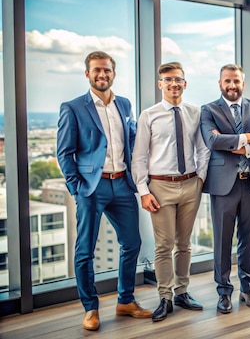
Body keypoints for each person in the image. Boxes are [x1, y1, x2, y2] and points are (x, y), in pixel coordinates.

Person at [57, 51, 152, 331]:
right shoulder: (72, 107)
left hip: (122, 183)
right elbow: (64, 153)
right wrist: (77, 189)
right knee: (85, 250)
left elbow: (132, 140)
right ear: (87, 74)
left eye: (107, 70)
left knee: (132, 243)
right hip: (91, 188)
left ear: (114, 73)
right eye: (97, 70)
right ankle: (90, 308)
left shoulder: (124, 104)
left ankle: (125, 301)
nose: (102, 75)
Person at [132, 62, 210, 322]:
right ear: (160, 84)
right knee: (164, 245)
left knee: (184, 244)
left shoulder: (194, 112)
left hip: (190, 185)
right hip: (160, 186)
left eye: (178, 79)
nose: (173, 84)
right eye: (168, 80)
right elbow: (139, 155)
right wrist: (144, 191)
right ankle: (165, 296)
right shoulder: (149, 115)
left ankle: (182, 292)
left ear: (185, 83)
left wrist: (200, 178)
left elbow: (203, 148)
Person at [200, 64, 250, 314]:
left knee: (249, 239)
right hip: (224, 186)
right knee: (222, 241)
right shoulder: (208, 109)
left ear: (244, 83)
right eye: (228, 81)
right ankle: (223, 293)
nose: (232, 86)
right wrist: (247, 138)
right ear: (220, 83)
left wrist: (231, 141)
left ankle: (248, 289)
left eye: (237, 81)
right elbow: (212, 141)